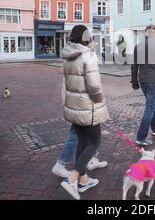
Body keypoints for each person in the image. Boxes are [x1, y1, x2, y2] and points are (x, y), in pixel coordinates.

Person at [59, 25, 110, 200]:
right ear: (87, 38)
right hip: (89, 107)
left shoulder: (68, 57)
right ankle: (72, 178)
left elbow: (67, 83)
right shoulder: (88, 56)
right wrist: (100, 99)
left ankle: (84, 180)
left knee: (82, 142)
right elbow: (94, 85)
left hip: (74, 106)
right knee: (94, 142)